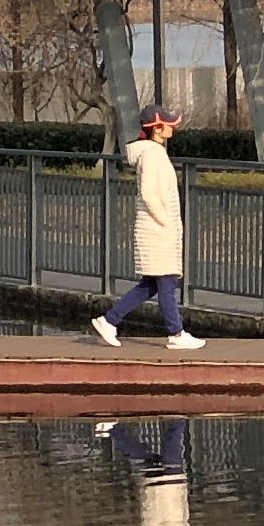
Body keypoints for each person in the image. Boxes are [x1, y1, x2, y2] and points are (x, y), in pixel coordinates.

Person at [90, 104, 203, 350]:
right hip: (157, 231)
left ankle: (109, 320)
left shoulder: (153, 153)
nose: (172, 128)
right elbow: (149, 194)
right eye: (169, 125)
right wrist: (165, 221)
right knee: (166, 283)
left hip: (156, 230)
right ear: (157, 128)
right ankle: (176, 333)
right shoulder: (153, 155)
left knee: (152, 284)